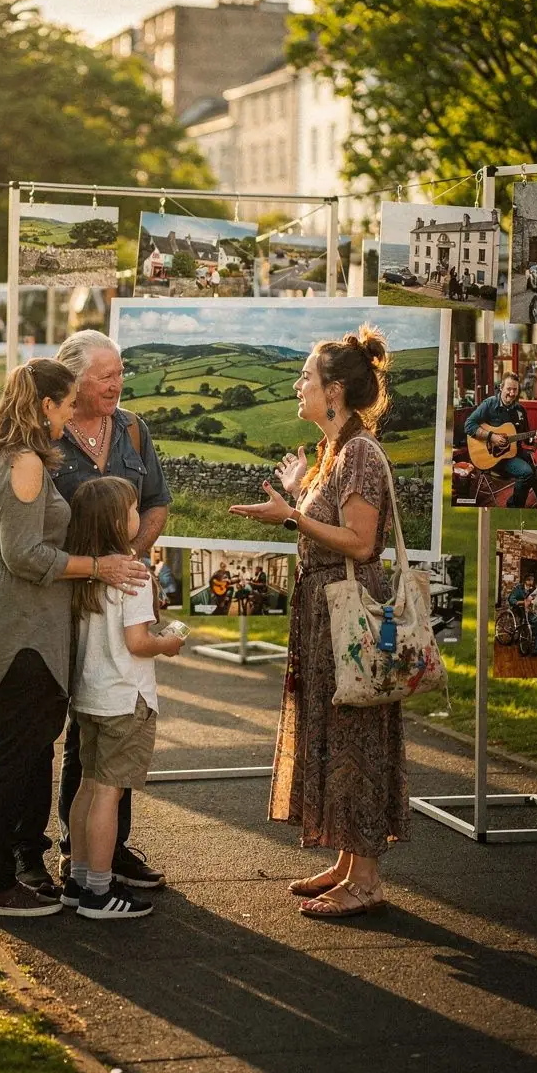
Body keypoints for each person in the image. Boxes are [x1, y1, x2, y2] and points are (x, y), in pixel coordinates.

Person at [0, 359, 147, 918]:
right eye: (65, 405)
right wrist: (98, 566)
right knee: (11, 755)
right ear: (44, 406)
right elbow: (25, 555)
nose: (68, 416)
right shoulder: (25, 460)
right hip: (21, 627)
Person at [230, 324, 409, 919]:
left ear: (334, 391)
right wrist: (296, 494)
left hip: (348, 616)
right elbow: (329, 523)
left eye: (305, 376)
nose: (297, 384)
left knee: (357, 737)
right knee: (336, 732)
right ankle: (347, 862)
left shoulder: (360, 452)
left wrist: (290, 517)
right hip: (326, 613)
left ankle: (368, 880)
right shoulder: (336, 450)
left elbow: (360, 543)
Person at [61, 477, 185, 919]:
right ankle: (99, 890)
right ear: (117, 522)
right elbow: (138, 642)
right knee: (109, 796)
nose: (139, 515)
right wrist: (167, 643)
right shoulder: (134, 575)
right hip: (126, 700)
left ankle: (77, 880)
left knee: (86, 788)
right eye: (133, 509)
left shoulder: (86, 574)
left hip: (90, 698)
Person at [464, 371, 537, 508]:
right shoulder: (489, 404)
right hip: (495, 458)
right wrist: (491, 436)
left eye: (515, 390)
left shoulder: (520, 410)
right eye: (509, 389)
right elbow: (468, 425)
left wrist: (535, 438)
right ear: (501, 387)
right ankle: (513, 507)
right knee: (527, 473)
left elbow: (526, 439)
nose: (512, 393)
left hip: (514, 452)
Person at [508, 573, 537, 650]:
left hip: (529, 609)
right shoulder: (518, 588)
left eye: (532, 580)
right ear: (526, 581)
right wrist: (521, 602)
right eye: (530, 580)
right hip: (518, 608)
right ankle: (526, 635)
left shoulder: (533, 589)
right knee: (531, 618)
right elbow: (511, 599)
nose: (532, 582)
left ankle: (531, 636)